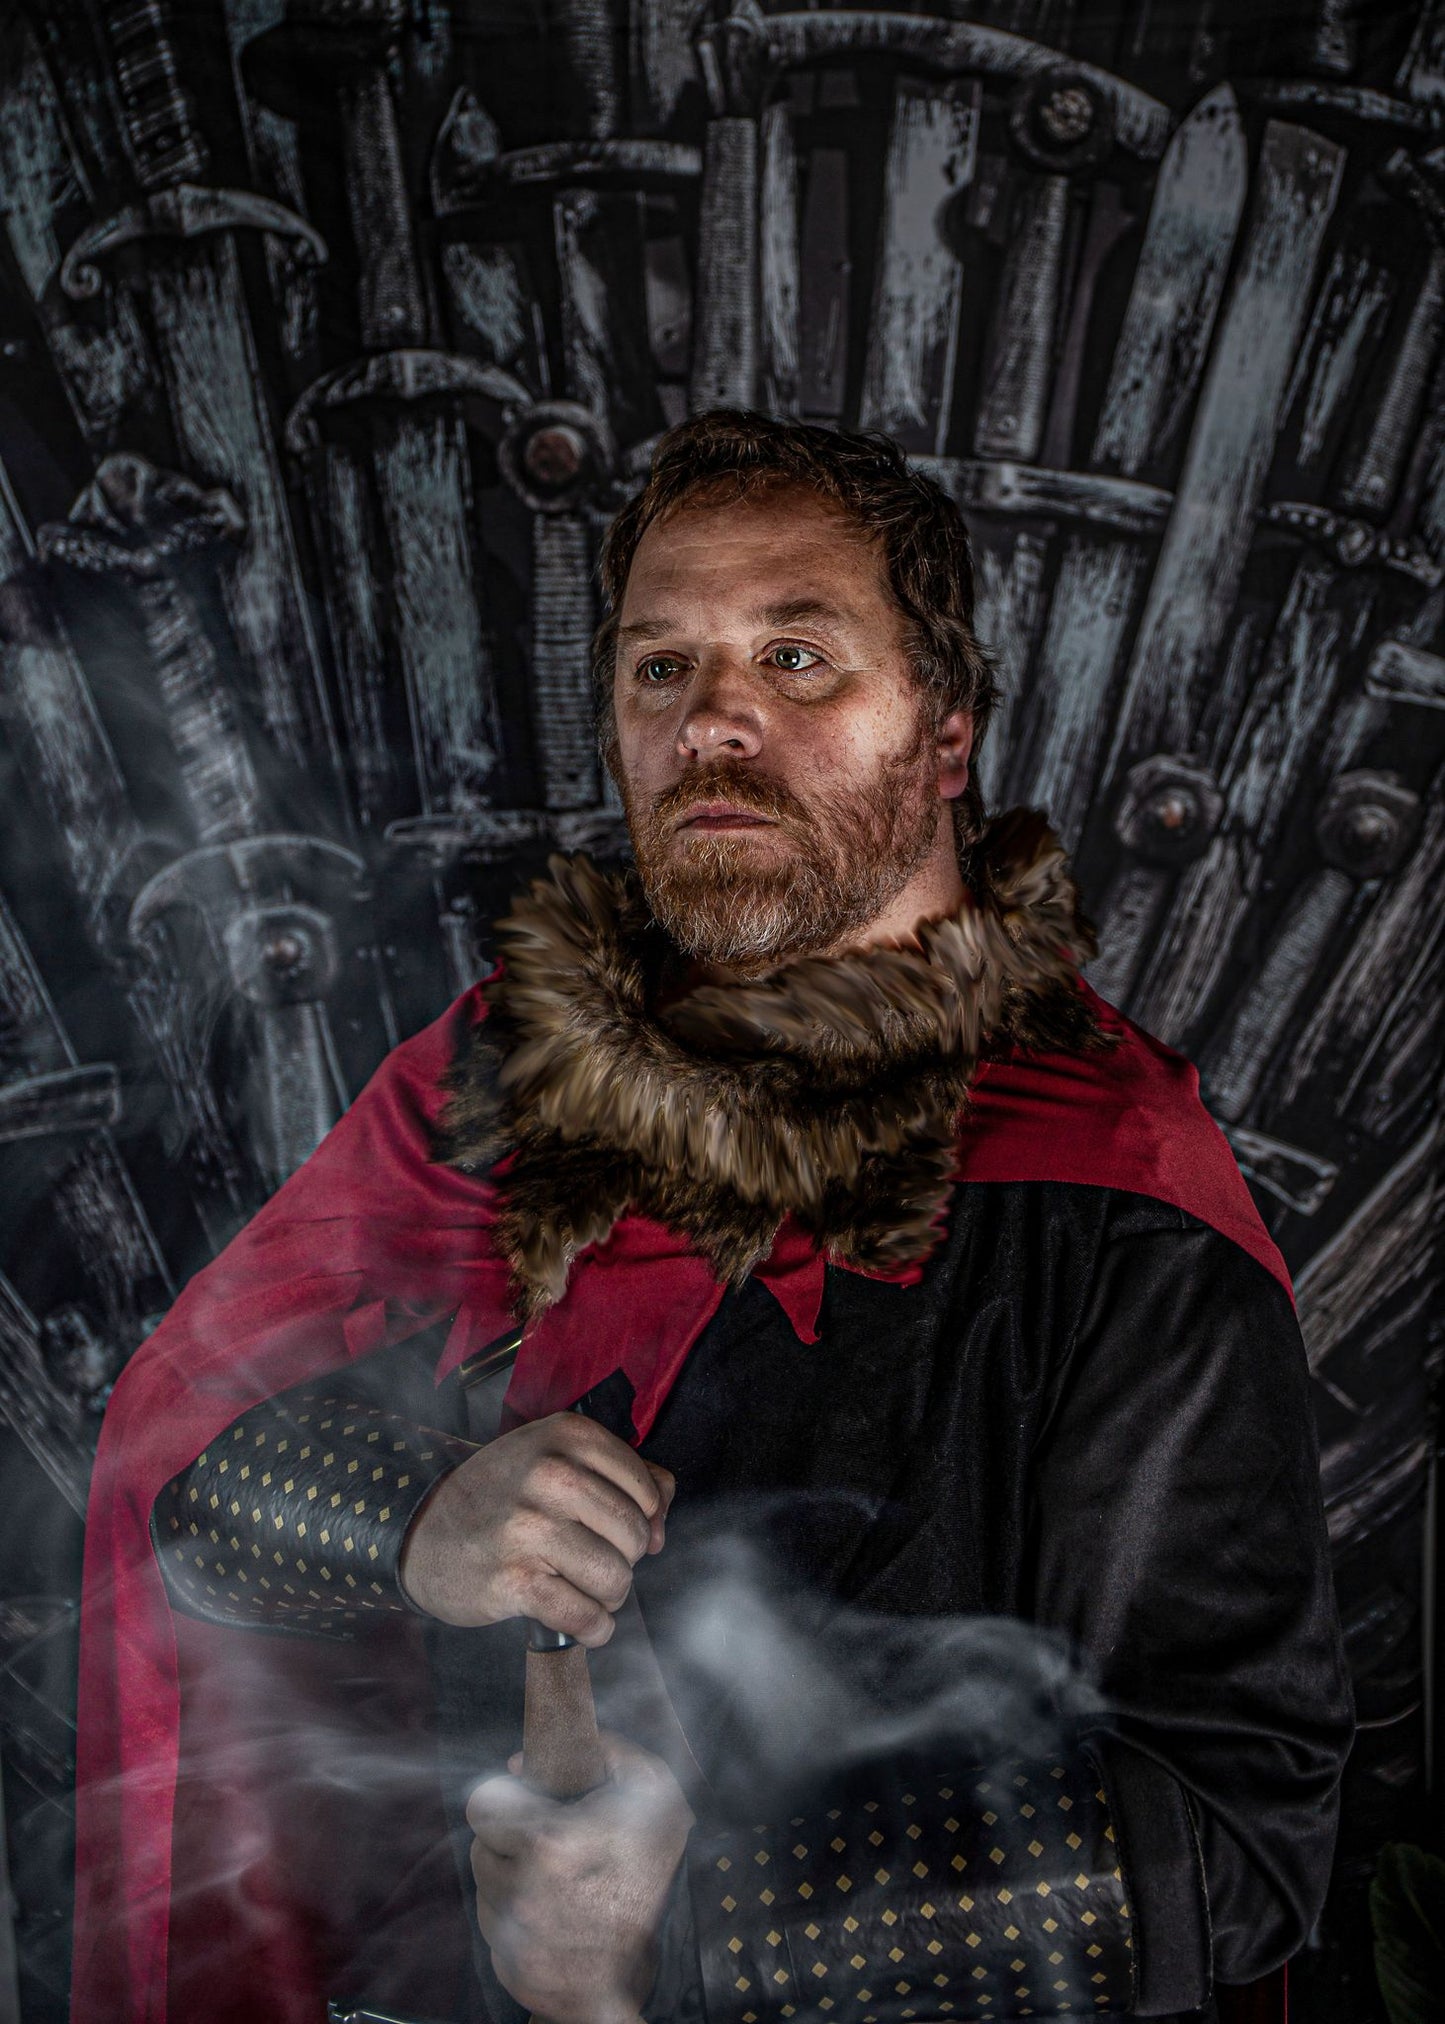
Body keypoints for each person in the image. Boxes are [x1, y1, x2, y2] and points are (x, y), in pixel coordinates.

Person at [73, 412, 1352, 2024]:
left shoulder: (1109, 1198)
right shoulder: (483, 1090)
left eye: (798, 658)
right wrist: (413, 1521)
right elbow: (180, 1488)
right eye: (660, 667)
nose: (712, 722)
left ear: (943, 733)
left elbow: (1241, 1831)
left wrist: (693, 1934)